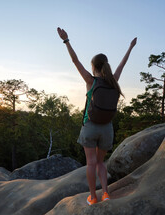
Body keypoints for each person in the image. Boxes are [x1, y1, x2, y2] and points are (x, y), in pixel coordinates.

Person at [57, 27, 137, 205]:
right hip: (107, 128)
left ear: (93, 67)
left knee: (91, 163)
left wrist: (66, 40)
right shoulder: (113, 81)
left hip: (90, 126)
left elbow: (74, 60)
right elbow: (122, 65)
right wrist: (130, 48)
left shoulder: (90, 80)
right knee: (101, 163)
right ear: (106, 66)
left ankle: (93, 197)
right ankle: (106, 194)